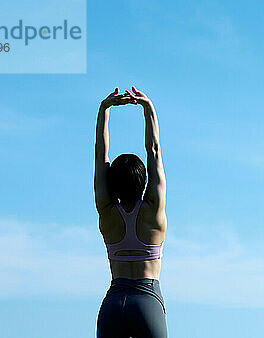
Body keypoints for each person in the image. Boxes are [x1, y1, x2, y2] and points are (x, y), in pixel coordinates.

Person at [94, 86, 168, 338]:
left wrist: (104, 109)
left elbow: (100, 155)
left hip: (113, 304)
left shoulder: (107, 213)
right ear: (144, 181)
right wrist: (148, 108)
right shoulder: (153, 213)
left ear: (112, 183)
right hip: (147, 302)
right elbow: (154, 151)